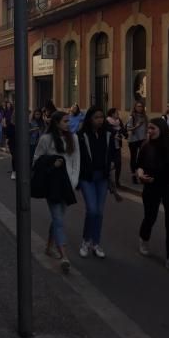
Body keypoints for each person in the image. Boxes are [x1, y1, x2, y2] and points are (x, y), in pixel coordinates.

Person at [32, 111, 80, 273]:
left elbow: (75, 161)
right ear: (57, 122)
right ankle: (64, 256)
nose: (69, 123)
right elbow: (36, 160)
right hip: (52, 184)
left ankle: (49, 246)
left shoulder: (73, 138)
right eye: (66, 121)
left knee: (58, 218)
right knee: (58, 219)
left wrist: (73, 181)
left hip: (67, 184)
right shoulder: (46, 139)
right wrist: (52, 164)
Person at [137, 118, 169, 274]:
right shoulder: (146, 146)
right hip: (151, 185)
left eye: (153, 128)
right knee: (150, 217)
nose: (149, 131)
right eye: (148, 128)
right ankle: (144, 239)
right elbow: (139, 166)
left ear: (162, 129)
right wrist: (141, 176)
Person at [78, 106, 116, 259]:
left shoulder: (108, 134)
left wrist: (112, 166)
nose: (99, 120)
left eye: (101, 117)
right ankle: (86, 240)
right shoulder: (82, 135)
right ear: (89, 119)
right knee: (92, 210)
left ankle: (96, 242)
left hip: (102, 177)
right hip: (87, 177)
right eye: (96, 117)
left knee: (99, 212)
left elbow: (113, 154)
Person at [126, 101, 148, 184]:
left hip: (142, 139)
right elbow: (128, 128)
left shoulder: (145, 117)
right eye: (138, 106)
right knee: (133, 158)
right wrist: (137, 125)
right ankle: (134, 176)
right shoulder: (132, 117)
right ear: (135, 107)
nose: (140, 108)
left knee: (142, 157)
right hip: (133, 140)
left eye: (141, 106)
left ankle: (142, 174)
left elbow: (146, 128)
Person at [106, 107, 124, 191]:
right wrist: (115, 133)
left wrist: (124, 133)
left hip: (117, 146)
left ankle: (117, 181)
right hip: (110, 146)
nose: (118, 114)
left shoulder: (119, 121)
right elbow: (108, 130)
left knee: (118, 164)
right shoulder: (107, 121)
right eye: (117, 113)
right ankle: (107, 179)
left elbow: (123, 130)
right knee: (108, 163)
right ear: (112, 114)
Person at [5, 111, 16, 179]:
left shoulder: (23, 124)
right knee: (14, 157)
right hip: (12, 143)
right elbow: (7, 136)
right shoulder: (10, 125)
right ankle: (14, 172)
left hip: (21, 143)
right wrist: (6, 146)